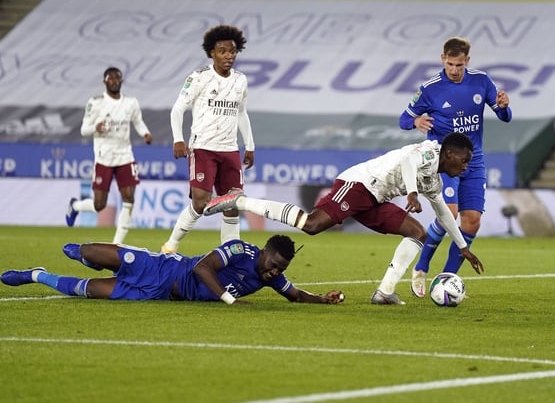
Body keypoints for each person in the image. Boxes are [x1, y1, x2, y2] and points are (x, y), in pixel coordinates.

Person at [203, 132, 485, 305]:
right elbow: (408, 161)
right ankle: (240, 200)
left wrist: (462, 247)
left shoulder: (434, 180)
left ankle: (385, 292)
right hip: (359, 184)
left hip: (376, 199)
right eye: (464, 161)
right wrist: (411, 192)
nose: (466, 167)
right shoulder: (428, 150)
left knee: (418, 233)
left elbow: (445, 215)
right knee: (312, 225)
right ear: (449, 154)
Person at [398, 36, 511, 298]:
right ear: (442, 59)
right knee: (448, 213)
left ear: (467, 61)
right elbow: (404, 119)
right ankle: (421, 267)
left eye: (459, 65)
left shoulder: (481, 81)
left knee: (472, 222)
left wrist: (504, 107)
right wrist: (415, 123)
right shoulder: (430, 88)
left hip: (474, 160)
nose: (454, 70)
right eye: (450, 64)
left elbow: (504, 116)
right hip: (444, 163)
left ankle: (446, 279)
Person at [1, 234, 345, 305]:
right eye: (273, 265)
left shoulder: (273, 276)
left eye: (280, 269)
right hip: (163, 269)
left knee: (87, 291)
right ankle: (86, 255)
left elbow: (296, 295)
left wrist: (323, 299)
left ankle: (35, 275)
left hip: (157, 293)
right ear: (265, 252)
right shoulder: (239, 250)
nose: (274, 273)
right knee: (84, 251)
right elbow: (202, 269)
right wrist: (229, 299)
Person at [161, 24, 255, 254]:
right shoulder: (199, 77)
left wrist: (249, 146)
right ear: (212, 52)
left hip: (230, 150)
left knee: (232, 205)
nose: (228, 56)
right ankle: (171, 245)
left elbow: (241, 113)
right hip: (203, 148)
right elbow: (177, 109)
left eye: (232, 51)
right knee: (201, 204)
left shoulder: (241, 80)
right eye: (223, 51)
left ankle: (229, 255)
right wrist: (178, 139)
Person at [65, 67, 152, 244]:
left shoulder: (131, 103)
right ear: (104, 82)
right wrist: (95, 127)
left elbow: (138, 121)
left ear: (121, 81)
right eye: (110, 78)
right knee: (99, 205)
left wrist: (145, 133)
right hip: (104, 158)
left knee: (129, 199)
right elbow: (83, 130)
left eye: (117, 78)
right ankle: (75, 206)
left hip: (125, 156)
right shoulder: (95, 103)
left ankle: (117, 244)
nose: (114, 80)